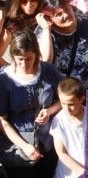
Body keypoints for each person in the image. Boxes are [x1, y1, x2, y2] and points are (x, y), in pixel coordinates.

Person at [0, 29, 61, 178]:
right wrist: (24, 146)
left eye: (29, 58)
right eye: (19, 58)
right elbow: (2, 120)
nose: (24, 64)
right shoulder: (4, 79)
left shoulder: (48, 71)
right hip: (17, 149)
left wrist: (50, 110)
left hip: (48, 144)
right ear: (13, 55)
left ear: (36, 54)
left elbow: (65, 100)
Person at [35, 0, 88, 96]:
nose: (65, 15)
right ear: (49, 18)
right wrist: (47, 29)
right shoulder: (43, 32)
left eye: (66, 9)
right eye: (59, 14)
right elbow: (45, 63)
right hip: (61, 97)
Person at [0, 0, 44, 66]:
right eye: (24, 1)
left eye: (34, 0)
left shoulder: (45, 15)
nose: (29, 5)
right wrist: (14, 72)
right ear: (17, 0)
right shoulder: (11, 24)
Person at [49, 77, 86, 178]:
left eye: (71, 104)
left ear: (82, 99)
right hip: (67, 174)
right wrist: (83, 172)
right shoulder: (59, 120)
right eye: (63, 103)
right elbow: (61, 153)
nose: (66, 108)